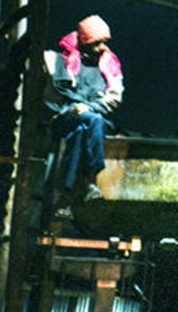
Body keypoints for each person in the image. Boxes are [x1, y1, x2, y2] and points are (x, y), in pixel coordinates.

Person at [43, 14, 122, 213]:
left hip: (92, 118)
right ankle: (90, 180)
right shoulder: (62, 61)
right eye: (98, 43)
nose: (103, 48)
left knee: (83, 129)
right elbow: (54, 93)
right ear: (86, 42)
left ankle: (66, 196)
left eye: (105, 42)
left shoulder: (109, 65)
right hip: (64, 116)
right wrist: (73, 107)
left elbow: (113, 99)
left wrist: (89, 107)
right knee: (89, 122)